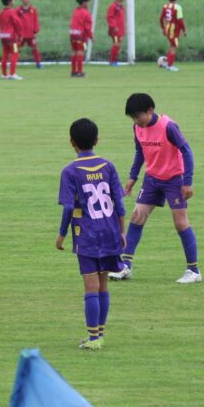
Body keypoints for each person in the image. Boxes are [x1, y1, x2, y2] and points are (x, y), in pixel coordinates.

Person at [109, 93, 201, 284]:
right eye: (133, 118)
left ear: (150, 110)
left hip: (174, 179)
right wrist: (133, 177)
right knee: (137, 217)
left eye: (138, 116)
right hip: (151, 179)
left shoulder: (168, 126)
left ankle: (194, 271)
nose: (136, 121)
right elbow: (140, 152)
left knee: (180, 223)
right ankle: (125, 265)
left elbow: (187, 151)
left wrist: (187, 181)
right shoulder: (137, 127)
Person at [56, 118, 126, 350]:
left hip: (87, 234)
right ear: (97, 140)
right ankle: (100, 334)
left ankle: (94, 338)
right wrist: (122, 231)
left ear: (71, 142)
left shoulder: (70, 171)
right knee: (103, 284)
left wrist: (62, 234)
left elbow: (68, 207)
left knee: (91, 285)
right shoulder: (108, 166)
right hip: (110, 232)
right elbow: (119, 203)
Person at [14, 0, 42, 69]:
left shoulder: (33, 9)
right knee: (15, 48)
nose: (26, 0)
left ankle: (38, 63)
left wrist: (36, 31)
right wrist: (16, 32)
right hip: (21, 34)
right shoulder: (17, 10)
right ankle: (12, 62)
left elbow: (36, 20)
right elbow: (15, 22)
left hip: (31, 34)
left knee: (35, 48)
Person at [0, 0, 23, 80]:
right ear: (10, 1)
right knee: (15, 53)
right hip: (12, 37)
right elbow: (17, 23)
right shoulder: (12, 12)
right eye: (13, 0)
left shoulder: (1, 12)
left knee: (5, 54)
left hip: (3, 36)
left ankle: (4, 74)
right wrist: (20, 35)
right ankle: (13, 73)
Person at [159, 0, 186, 71]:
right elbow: (180, 20)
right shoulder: (178, 7)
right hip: (174, 30)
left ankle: (166, 62)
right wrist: (184, 30)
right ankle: (170, 66)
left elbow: (161, 18)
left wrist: (163, 28)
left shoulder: (165, 6)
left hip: (168, 28)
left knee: (172, 46)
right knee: (174, 47)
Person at [68, 0, 93, 78]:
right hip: (80, 35)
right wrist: (91, 36)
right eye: (87, 2)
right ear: (84, 2)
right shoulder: (86, 13)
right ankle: (79, 72)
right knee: (80, 52)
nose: (88, 4)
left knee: (74, 52)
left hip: (72, 34)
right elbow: (87, 27)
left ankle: (73, 71)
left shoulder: (75, 11)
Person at [106, 0, 126, 66]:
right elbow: (109, 17)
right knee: (116, 44)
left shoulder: (120, 6)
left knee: (118, 45)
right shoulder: (113, 6)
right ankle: (112, 61)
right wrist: (114, 26)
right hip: (115, 30)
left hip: (120, 30)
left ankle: (114, 60)